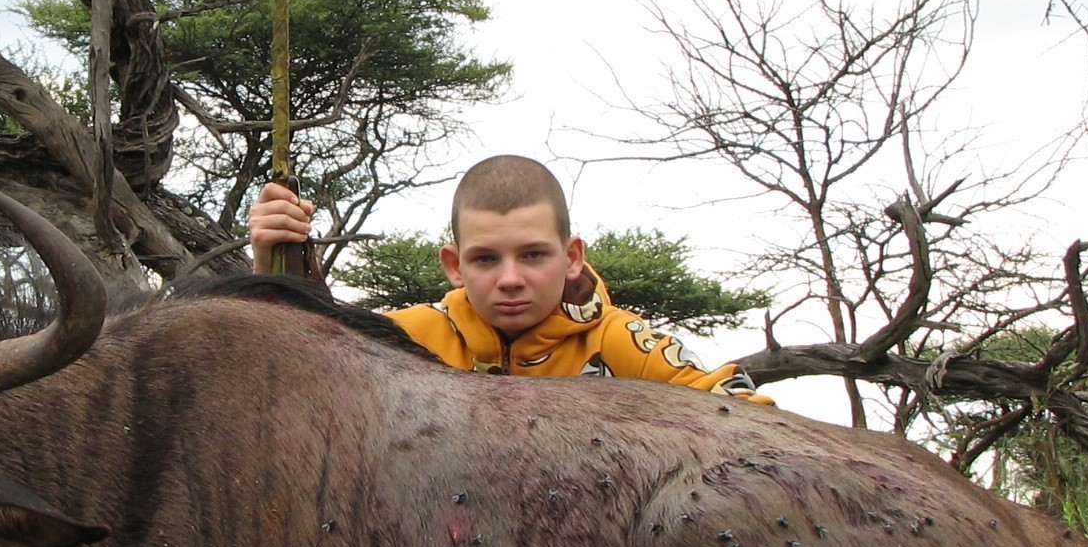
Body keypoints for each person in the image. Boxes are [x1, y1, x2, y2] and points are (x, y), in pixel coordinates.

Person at [248, 155, 766, 399]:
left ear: (572, 257)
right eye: (486, 259)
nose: (511, 279)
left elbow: (738, 407)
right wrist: (270, 260)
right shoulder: (406, 337)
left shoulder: (619, 340)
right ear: (454, 266)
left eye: (534, 255)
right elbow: (297, 376)